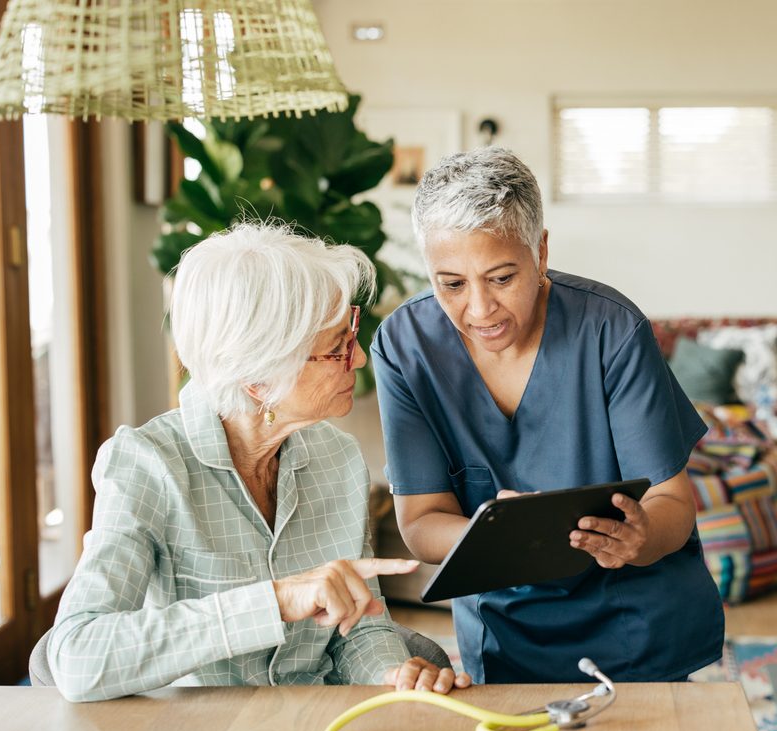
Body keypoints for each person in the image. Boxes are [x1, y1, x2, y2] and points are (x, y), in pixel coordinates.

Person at [47, 223, 470, 702]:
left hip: (311, 724)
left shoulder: (338, 458)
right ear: (259, 377)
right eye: (336, 348)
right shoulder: (147, 465)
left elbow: (358, 627)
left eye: (349, 332)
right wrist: (274, 602)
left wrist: (393, 674)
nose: (356, 360)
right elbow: (77, 656)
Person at [371, 147, 724, 684]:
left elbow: (673, 503)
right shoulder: (405, 346)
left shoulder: (610, 330)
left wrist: (640, 536)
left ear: (540, 250)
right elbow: (421, 522)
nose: (480, 309)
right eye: (452, 284)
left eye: (501, 277)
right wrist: (496, 535)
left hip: (636, 630)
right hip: (504, 638)